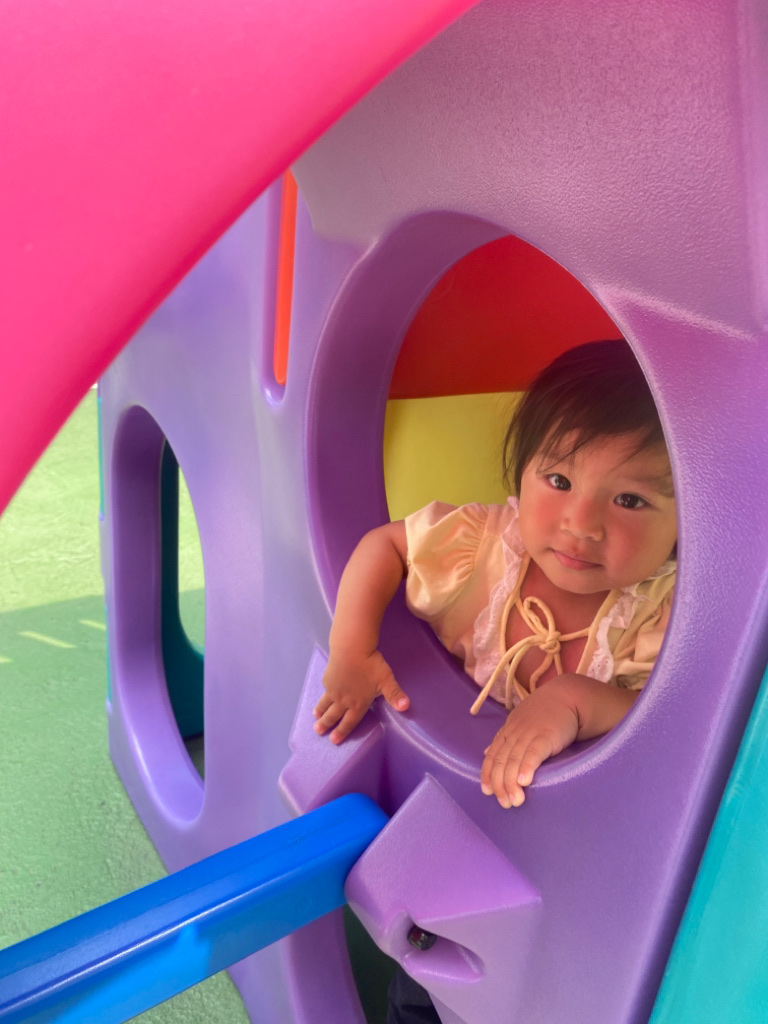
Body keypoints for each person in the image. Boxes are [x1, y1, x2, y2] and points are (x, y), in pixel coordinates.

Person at [313, 339, 677, 810]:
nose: (581, 525)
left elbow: (675, 717)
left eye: (629, 500)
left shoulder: (666, 614)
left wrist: (576, 701)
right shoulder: (478, 550)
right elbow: (383, 546)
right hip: (432, 786)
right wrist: (351, 650)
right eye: (560, 481)